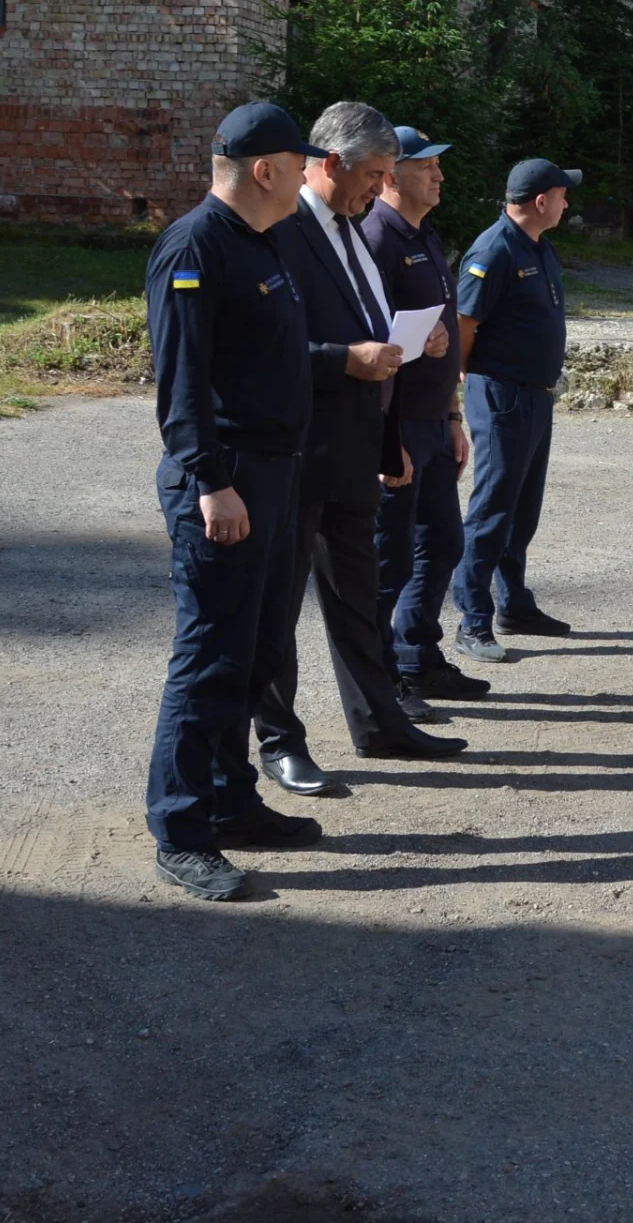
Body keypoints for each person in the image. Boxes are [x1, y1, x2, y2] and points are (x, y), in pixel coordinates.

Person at [143, 101, 329, 903]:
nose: (307, 176)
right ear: (266, 170)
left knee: (251, 653)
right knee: (210, 655)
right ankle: (182, 830)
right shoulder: (195, 246)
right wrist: (212, 480)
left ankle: (231, 801)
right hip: (225, 481)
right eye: (299, 163)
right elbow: (179, 385)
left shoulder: (267, 239)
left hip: (274, 473)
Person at [254, 101, 466, 789]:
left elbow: (373, 326)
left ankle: (379, 721)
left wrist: (412, 345)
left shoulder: (352, 230)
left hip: (355, 446)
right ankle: (280, 740)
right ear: (331, 163)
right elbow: (272, 346)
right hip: (297, 450)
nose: (379, 187)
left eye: (384, 174)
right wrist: (347, 357)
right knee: (278, 607)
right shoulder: (285, 230)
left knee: (359, 593)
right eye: (373, 173)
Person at [362, 126, 489, 702]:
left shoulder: (425, 235)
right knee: (389, 560)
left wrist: (455, 416)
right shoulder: (377, 240)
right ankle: (381, 678)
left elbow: (438, 330)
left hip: (435, 422)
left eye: (439, 165)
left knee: (441, 543)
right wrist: (392, 437)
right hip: (400, 427)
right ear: (391, 174)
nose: (439, 175)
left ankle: (417, 656)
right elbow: (368, 339)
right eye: (426, 166)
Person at [450, 158, 580, 663]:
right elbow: (464, 324)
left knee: (523, 508)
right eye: (563, 194)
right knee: (492, 508)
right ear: (541, 201)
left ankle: (515, 604)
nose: (568, 202)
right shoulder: (494, 248)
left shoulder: (539, 247)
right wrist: (467, 390)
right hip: (501, 394)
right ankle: (472, 620)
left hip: (534, 393)